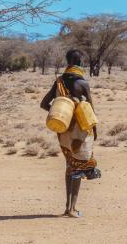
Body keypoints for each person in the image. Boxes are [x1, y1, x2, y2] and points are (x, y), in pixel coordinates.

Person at [40, 49, 101, 218]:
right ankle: (72, 208)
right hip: (80, 132)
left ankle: (68, 207)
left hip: (63, 132)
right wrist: (94, 129)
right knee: (80, 167)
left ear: (68, 62)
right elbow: (90, 109)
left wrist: (63, 114)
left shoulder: (58, 81)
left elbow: (44, 104)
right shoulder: (82, 83)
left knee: (70, 166)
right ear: (79, 62)